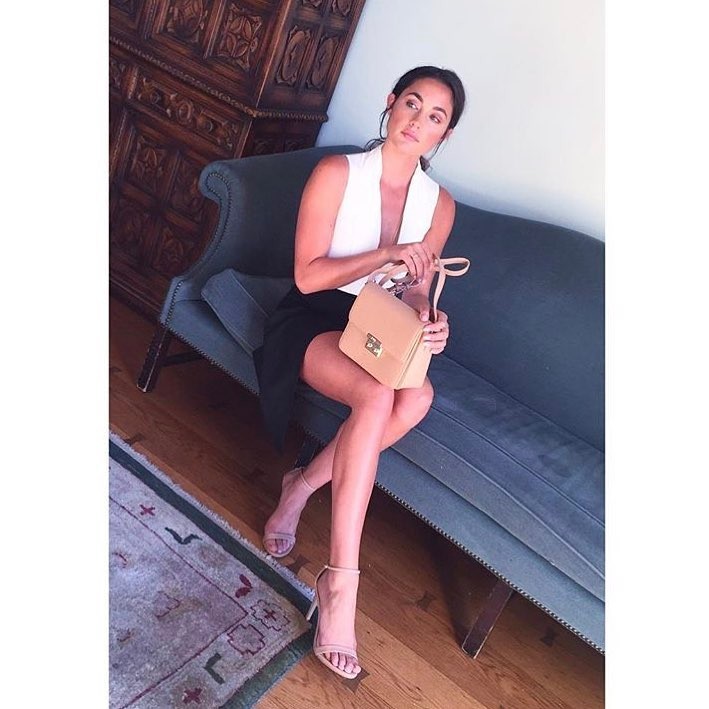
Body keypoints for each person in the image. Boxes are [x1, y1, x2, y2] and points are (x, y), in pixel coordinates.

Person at [252, 66, 466, 679]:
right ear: (391, 103)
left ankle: (300, 487)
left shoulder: (439, 205)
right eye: (412, 103)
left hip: (377, 323)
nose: (417, 121)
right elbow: (308, 276)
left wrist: (430, 320)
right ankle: (340, 583)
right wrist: (386, 254)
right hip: (315, 313)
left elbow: (417, 289)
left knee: (416, 396)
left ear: (444, 135)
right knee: (376, 395)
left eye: (434, 117)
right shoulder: (337, 172)